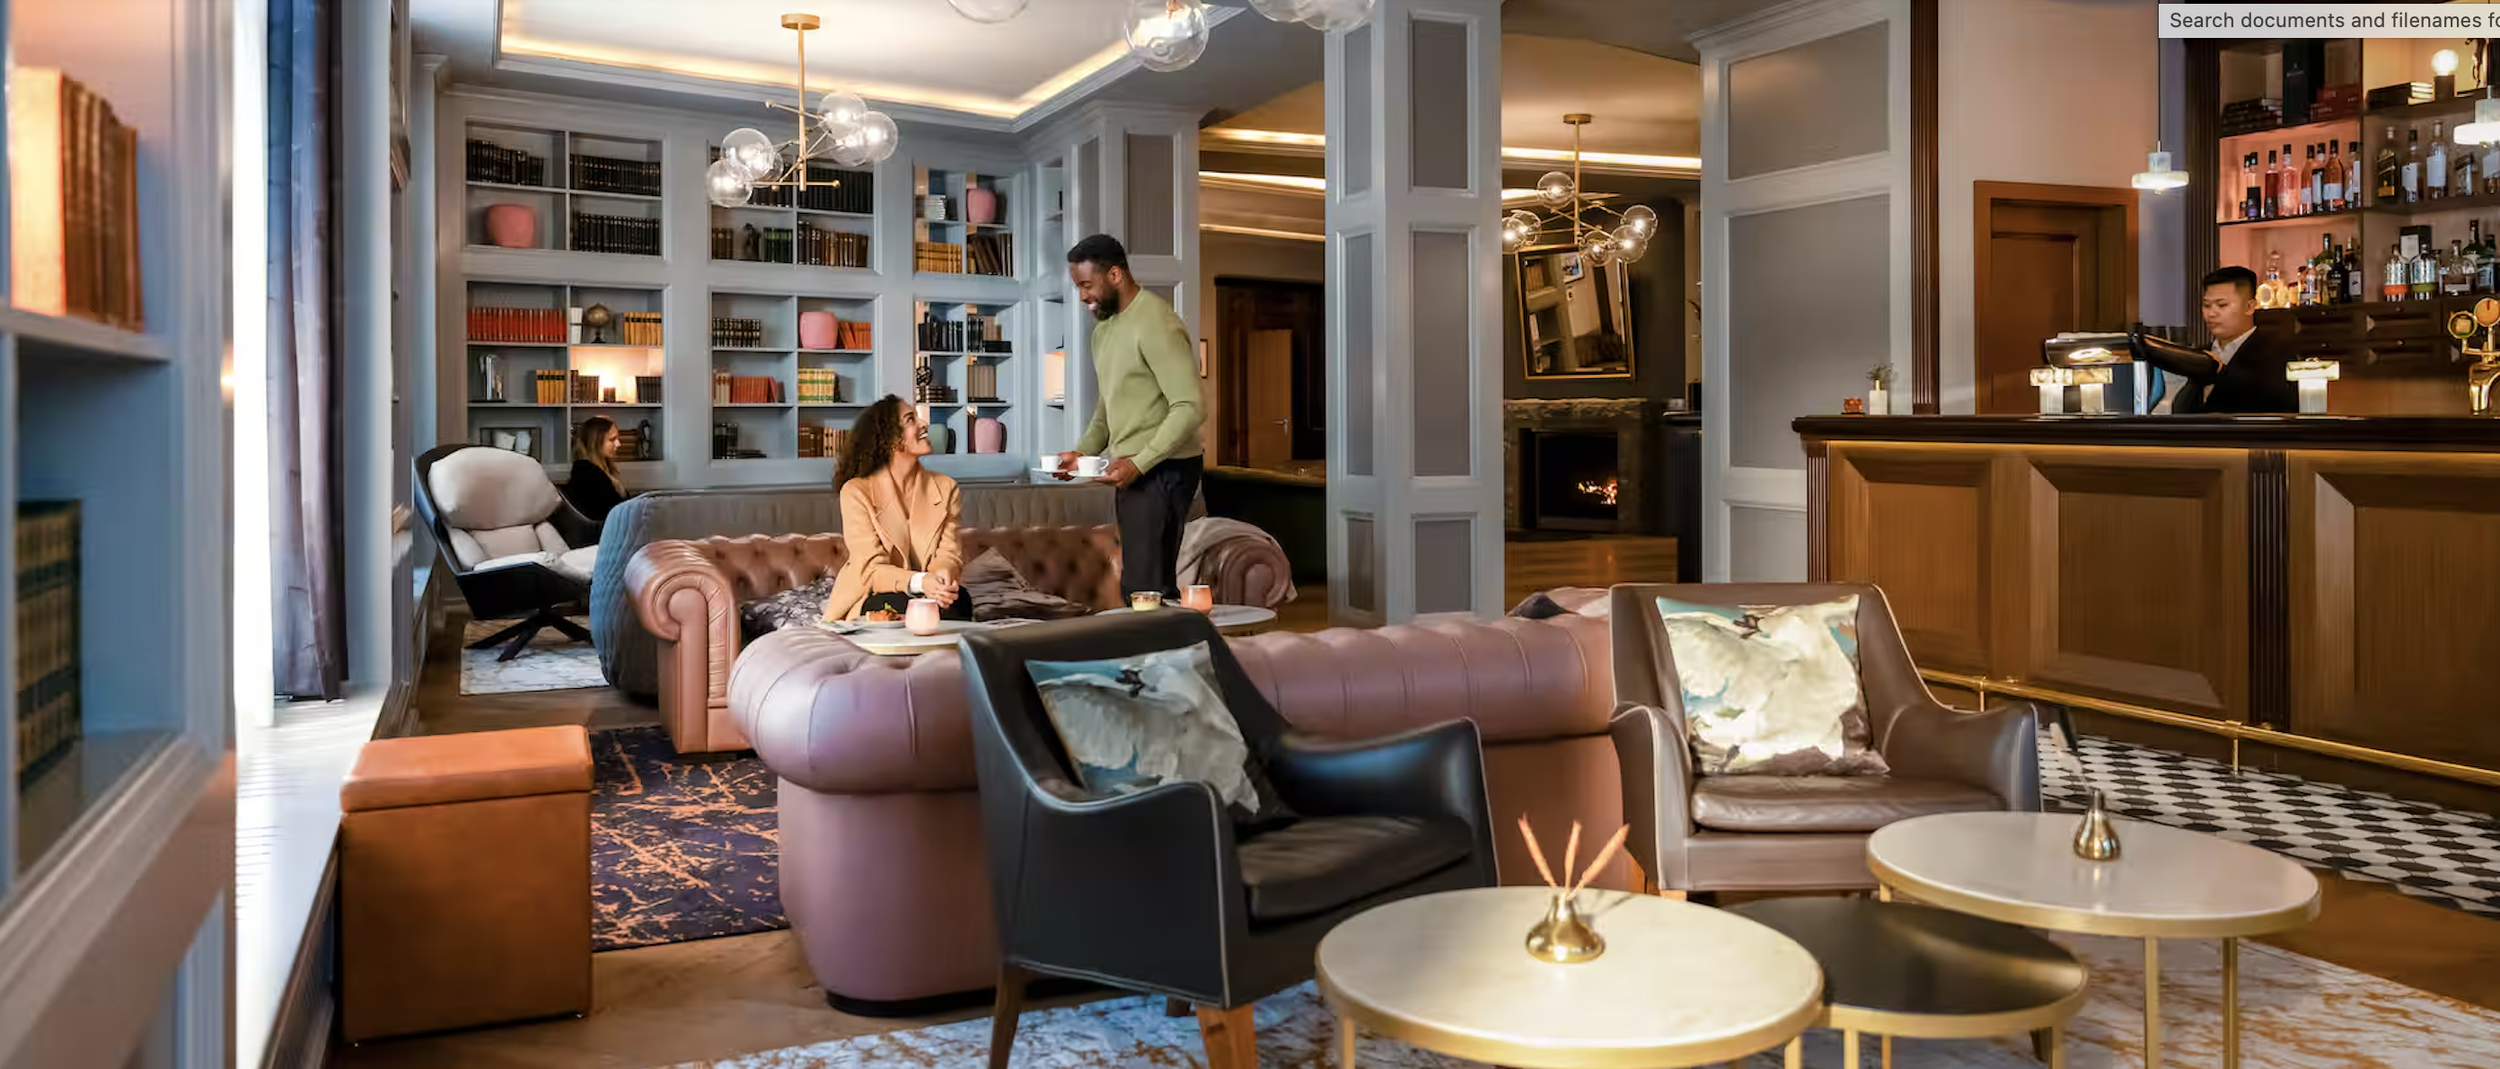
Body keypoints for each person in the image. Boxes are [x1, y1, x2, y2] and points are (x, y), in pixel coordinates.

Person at [1055, 234, 1205, 599]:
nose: (1083, 296)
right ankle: (1163, 635)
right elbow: (1108, 405)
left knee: (1145, 588)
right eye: (1078, 287)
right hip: (1134, 468)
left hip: (1166, 467)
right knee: (1143, 585)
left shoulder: (1156, 322)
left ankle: (1163, 638)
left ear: (1115, 275)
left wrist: (1140, 463)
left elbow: (1190, 406)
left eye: (1087, 285)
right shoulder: (1103, 331)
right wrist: (1082, 451)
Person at [822, 396, 969, 622]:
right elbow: (872, 569)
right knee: (901, 605)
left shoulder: (946, 487)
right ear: (889, 438)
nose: (923, 424)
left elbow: (949, 554)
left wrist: (943, 576)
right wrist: (921, 582)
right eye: (911, 419)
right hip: (874, 594)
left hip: (931, 595)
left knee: (959, 601)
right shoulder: (856, 492)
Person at [2152, 266, 2300, 414]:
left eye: (2222, 305)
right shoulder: (2200, 354)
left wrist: (2220, 373)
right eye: (2206, 305)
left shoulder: (2277, 352)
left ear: (2249, 307)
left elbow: (2277, 402)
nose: (2211, 313)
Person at [562, 416, 630, 524]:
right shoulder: (587, 473)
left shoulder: (602, 469)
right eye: (612, 439)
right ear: (595, 442)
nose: (618, 444)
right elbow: (608, 513)